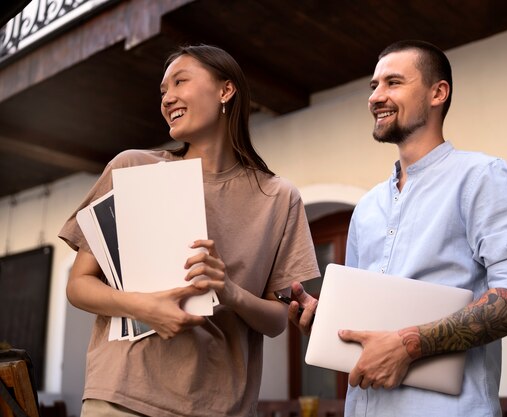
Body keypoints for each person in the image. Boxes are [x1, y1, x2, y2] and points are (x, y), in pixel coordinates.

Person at [288, 40, 507, 417]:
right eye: (374, 86)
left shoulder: (482, 177)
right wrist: (326, 322)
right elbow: (367, 327)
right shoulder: (367, 208)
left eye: (393, 83)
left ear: (437, 92)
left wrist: (409, 345)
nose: (377, 96)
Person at [59, 44, 319, 417]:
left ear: (226, 90)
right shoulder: (133, 168)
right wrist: (145, 307)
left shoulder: (278, 196)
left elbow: (278, 320)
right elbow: (79, 285)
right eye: (163, 91)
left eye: (180, 82)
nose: (168, 98)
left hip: (220, 404)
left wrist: (229, 291)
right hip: (122, 394)